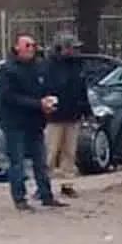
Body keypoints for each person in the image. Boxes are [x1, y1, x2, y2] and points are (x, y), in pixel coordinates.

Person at [0, 33, 62, 212]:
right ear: (16, 47)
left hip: (35, 122)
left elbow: (44, 88)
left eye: (33, 45)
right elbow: (9, 97)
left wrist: (47, 102)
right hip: (15, 123)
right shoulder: (7, 70)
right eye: (27, 45)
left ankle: (46, 195)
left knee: (40, 161)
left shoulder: (38, 68)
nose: (31, 49)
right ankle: (19, 198)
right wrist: (37, 104)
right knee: (17, 162)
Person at [43, 37, 89, 198]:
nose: (75, 51)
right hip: (55, 115)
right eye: (71, 48)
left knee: (69, 152)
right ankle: (43, 184)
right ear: (62, 48)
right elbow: (47, 89)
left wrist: (86, 109)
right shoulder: (49, 66)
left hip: (73, 113)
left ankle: (67, 184)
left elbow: (82, 88)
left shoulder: (77, 65)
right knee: (51, 151)